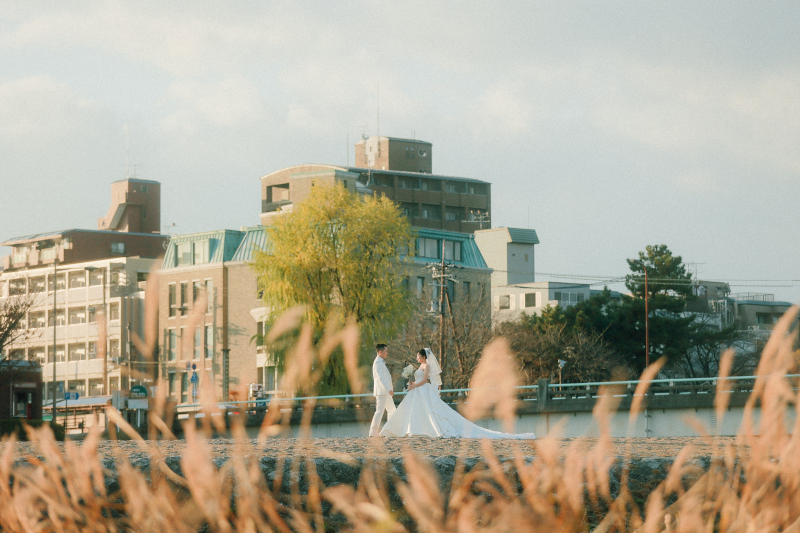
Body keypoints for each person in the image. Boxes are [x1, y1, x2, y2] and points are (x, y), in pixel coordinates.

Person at [380, 348, 535, 439]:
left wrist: (414, 386)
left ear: (423, 357)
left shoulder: (426, 367)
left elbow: (425, 380)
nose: (417, 357)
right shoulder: (418, 367)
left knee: (428, 411)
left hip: (422, 390)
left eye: (418, 355)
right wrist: (412, 383)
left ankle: (421, 430)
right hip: (417, 391)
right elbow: (418, 380)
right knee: (414, 411)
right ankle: (409, 429)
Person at [369, 343, 396, 437]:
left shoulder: (380, 362)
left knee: (392, 410)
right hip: (382, 392)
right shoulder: (377, 362)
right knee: (379, 411)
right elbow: (381, 378)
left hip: (385, 392)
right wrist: (389, 390)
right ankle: (373, 432)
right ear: (380, 351)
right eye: (386, 351)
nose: (387, 353)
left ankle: (389, 430)